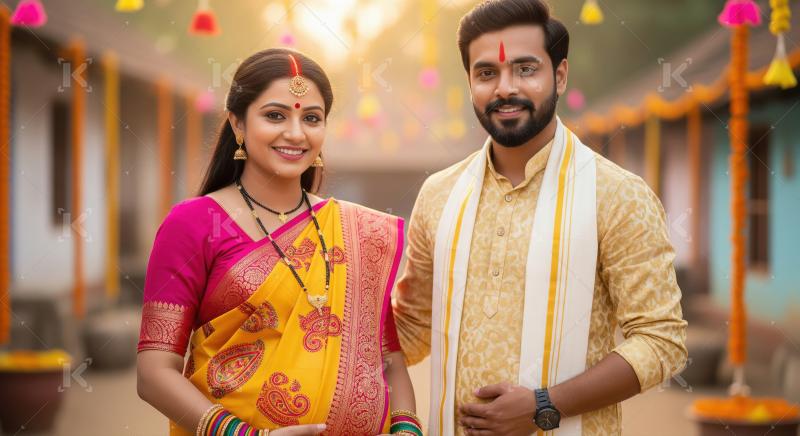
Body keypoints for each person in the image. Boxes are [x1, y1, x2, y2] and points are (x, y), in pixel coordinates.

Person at [392, 1, 688, 435]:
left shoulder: (618, 194)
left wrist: (543, 406)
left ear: (560, 75)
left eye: (526, 69)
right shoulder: (440, 194)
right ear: (471, 82)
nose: (504, 88)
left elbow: (662, 341)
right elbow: (412, 327)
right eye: (486, 73)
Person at [136, 48, 420, 436]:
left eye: (312, 118)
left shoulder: (359, 232)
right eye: (275, 115)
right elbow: (154, 373)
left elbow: (389, 361)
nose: (296, 133)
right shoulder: (193, 224)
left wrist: (408, 431)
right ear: (237, 124)